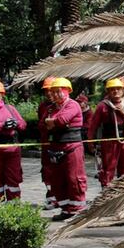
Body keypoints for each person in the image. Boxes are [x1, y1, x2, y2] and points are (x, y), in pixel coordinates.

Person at [43, 77, 87, 220]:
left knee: (74, 179)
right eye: (53, 92)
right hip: (56, 147)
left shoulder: (72, 105)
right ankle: (66, 209)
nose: (55, 95)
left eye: (58, 91)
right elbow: (42, 124)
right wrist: (52, 122)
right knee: (57, 180)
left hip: (72, 147)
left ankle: (77, 209)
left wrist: (53, 122)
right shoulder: (50, 108)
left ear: (67, 91)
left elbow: (62, 120)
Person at [87, 78, 124, 188]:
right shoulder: (103, 106)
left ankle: (123, 193)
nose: (115, 91)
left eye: (118, 89)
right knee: (108, 169)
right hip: (109, 142)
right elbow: (93, 125)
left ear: (122, 90)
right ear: (108, 91)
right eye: (112, 89)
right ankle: (106, 192)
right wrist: (91, 142)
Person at [0, 80, 27, 201]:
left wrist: (16, 123)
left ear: (2, 95)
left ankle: (14, 205)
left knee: (13, 178)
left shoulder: (10, 109)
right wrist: (2, 125)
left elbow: (23, 125)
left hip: (12, 149)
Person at [37, 76, 57, 209]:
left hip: (60, 143)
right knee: (47, 170)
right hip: (46, 143)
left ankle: (62, 196)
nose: (49, 93)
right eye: (46, 91)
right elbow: (41, 125)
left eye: (51, 90)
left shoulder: (66, 105)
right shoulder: (43, 106)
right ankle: (51, 197)